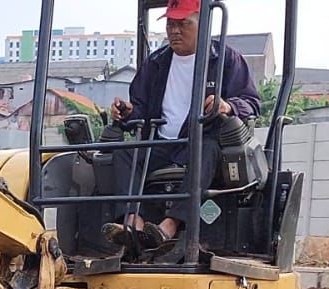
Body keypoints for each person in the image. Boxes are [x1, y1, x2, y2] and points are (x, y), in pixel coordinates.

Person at [104, 0, 261, 254]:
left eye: (183, 23)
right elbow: (141, 108)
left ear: (203, 24)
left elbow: (252, 103)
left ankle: (170, 225)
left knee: (206, 149)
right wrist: (129, 112)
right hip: (161, 144)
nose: (174, 31)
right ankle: (134, 222)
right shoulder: (156, 63)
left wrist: (227, 106)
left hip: (200, 145)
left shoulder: (227, 60)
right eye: (170, 24)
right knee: (125, 151)